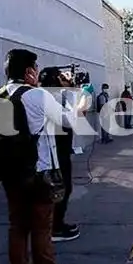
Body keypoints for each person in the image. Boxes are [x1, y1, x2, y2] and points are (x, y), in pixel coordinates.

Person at [1, 49, 78, 264]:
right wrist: (79, 101)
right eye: (35, 67)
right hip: (38, 171)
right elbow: (67, 121)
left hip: (11, 172)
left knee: (17, 227)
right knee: (42, 226)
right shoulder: (37, 95)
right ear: (29, 71)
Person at [51, 69, 83, 242]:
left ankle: (56, 223)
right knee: (61, 190)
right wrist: (71, 93)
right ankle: (55, 227)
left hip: (60, 151)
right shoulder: (51, 99)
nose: (67, 81)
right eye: (62, 78)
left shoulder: (53, 97)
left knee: (63, 189)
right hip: (55, 154)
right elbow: (69, 119)